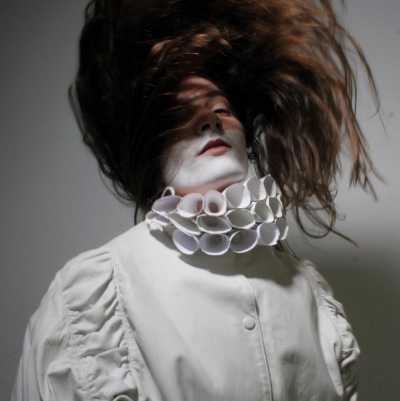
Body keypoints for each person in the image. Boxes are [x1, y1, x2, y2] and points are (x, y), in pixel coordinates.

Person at [12, 0, 381, 400]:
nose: (209, 120)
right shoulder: (94, 294)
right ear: (148, 149)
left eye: (221, 107)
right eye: (178, 115)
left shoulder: (309, 291)